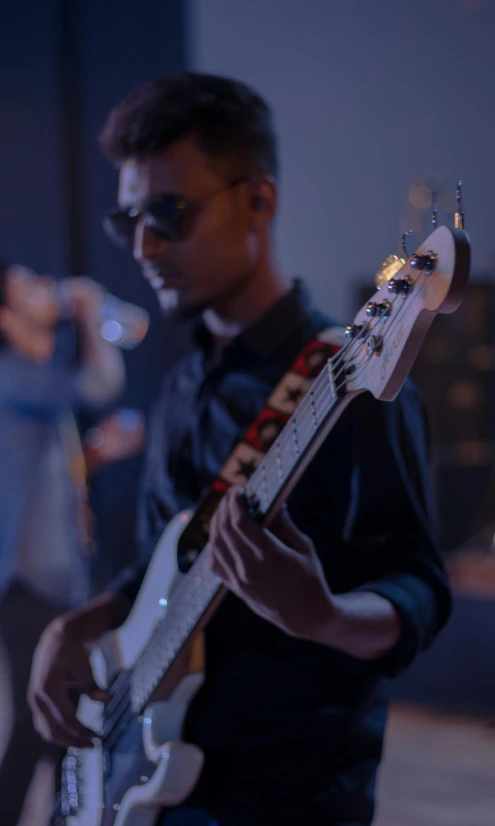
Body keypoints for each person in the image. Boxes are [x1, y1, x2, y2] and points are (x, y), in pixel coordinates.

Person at [28, 73, 452, 826]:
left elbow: (416, 587)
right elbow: (166, 561)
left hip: (285, 792)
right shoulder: (182, 383)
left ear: (258, 199)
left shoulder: (350, 379)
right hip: (151, 778)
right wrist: (81, 624)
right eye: (129, 221)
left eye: (169, 212)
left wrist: (321, 615)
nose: (146, 245)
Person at [0, 266, 143, 825]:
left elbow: (35, 477)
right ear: (6, 318)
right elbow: (100, 386)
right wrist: (88, 311)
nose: (46, 287)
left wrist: (97, 454)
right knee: (46, 725)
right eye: (28, 286)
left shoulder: (33, 382)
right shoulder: (13, 375)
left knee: (60, 728)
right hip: (29, 582)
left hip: (51, 578)